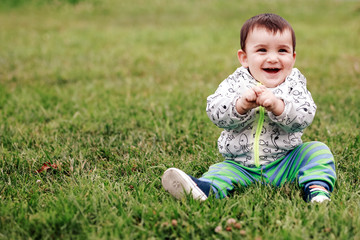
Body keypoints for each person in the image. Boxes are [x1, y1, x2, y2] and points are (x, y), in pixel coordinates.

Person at [161, 13, 336, 203]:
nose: (273, 58)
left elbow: (306, 115)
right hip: (240, 165)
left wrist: (279, 106)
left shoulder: (294, 83)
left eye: (282, 51)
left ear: (293, 58)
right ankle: (204, 190)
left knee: (318, 151)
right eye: (262, 50)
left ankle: (317, 190)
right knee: (219, 171)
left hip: (285, 162)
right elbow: (214, 111)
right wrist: (241, 105)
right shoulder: (235, 83)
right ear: (244, 57)